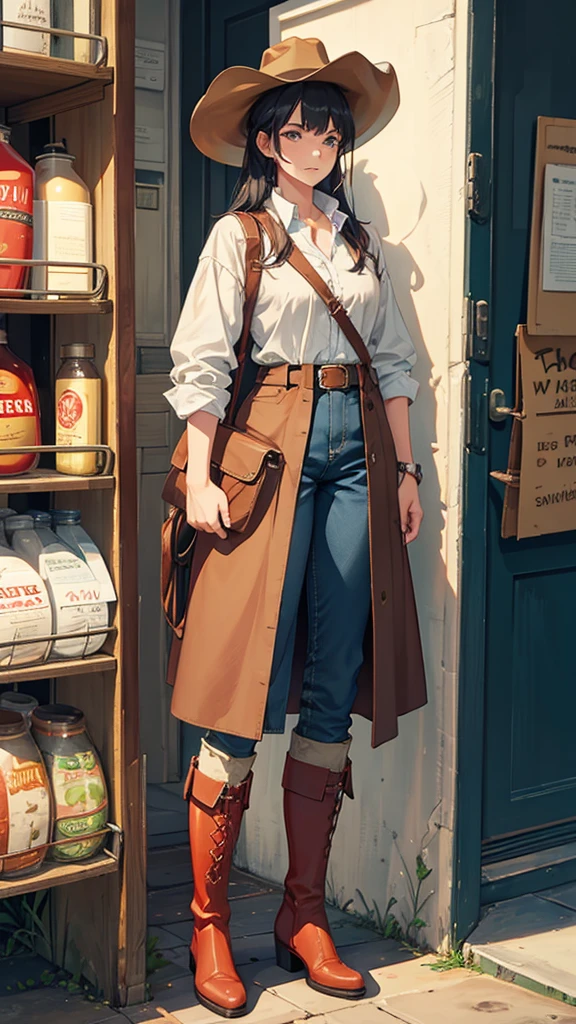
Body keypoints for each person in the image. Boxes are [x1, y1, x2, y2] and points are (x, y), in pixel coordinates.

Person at [164, 36, 427, 1020]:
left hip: (355, 448)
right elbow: (199, 364)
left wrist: (404, 468)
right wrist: (197, 471)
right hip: (262, 448)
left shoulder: (358, 245)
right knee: (236, 688)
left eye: (327, 127)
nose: (313, 141)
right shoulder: (239, 237)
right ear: (265, 140)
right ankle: (209, 923)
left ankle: (303, 916)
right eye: (295, 127)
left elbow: (393, 361)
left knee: (327, 681)